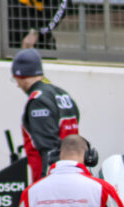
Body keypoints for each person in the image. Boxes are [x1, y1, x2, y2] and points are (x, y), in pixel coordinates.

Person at [12, 49, 79, 183]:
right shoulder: (61, 93)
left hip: (53, 179)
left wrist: (46, 185)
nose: (17, 85)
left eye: (15, 79)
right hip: (73, 172)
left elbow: (48, 148)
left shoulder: (38, 101)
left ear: (20, 75)